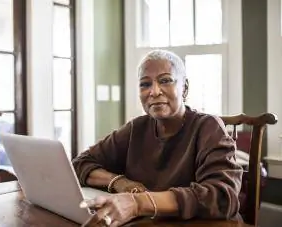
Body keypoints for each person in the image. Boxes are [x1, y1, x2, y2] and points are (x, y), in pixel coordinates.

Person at [72, 50, 243, 227]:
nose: (154, 92)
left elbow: (222, 196)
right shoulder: (135, 128)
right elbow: (80, 164)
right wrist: (120, 182)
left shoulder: (208, 127)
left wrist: (138, 203)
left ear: (184, 87)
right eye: (145, 84)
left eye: (165, 80)